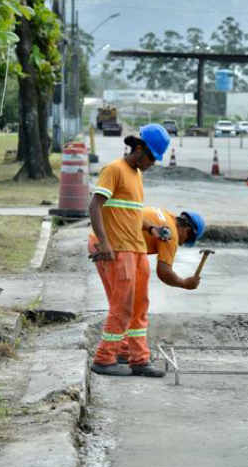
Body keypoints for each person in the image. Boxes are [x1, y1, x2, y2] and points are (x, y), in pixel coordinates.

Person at [89, 123, 171, 377]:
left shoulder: (137, 175)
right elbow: (95, 206)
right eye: (151, 158)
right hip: (119, 250)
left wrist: (152, 229)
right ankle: (104, 358)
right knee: (122, 306)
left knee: (139, 307)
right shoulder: (113, 170)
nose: (152, 163)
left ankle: (138, 359)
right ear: (138, 148)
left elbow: (131, 214)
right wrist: (104, 243)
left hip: (137, 250)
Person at [88, 207, 206, 373]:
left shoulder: (166, 216)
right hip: (114, 247)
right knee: (127, 305)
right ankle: (106, 358)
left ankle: (125, 351)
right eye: (185, 240)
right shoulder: (170, 233)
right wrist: (185, 284)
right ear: (186, 230)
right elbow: (164, 273)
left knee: (128, 303)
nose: (181, 243)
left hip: (103, 242)